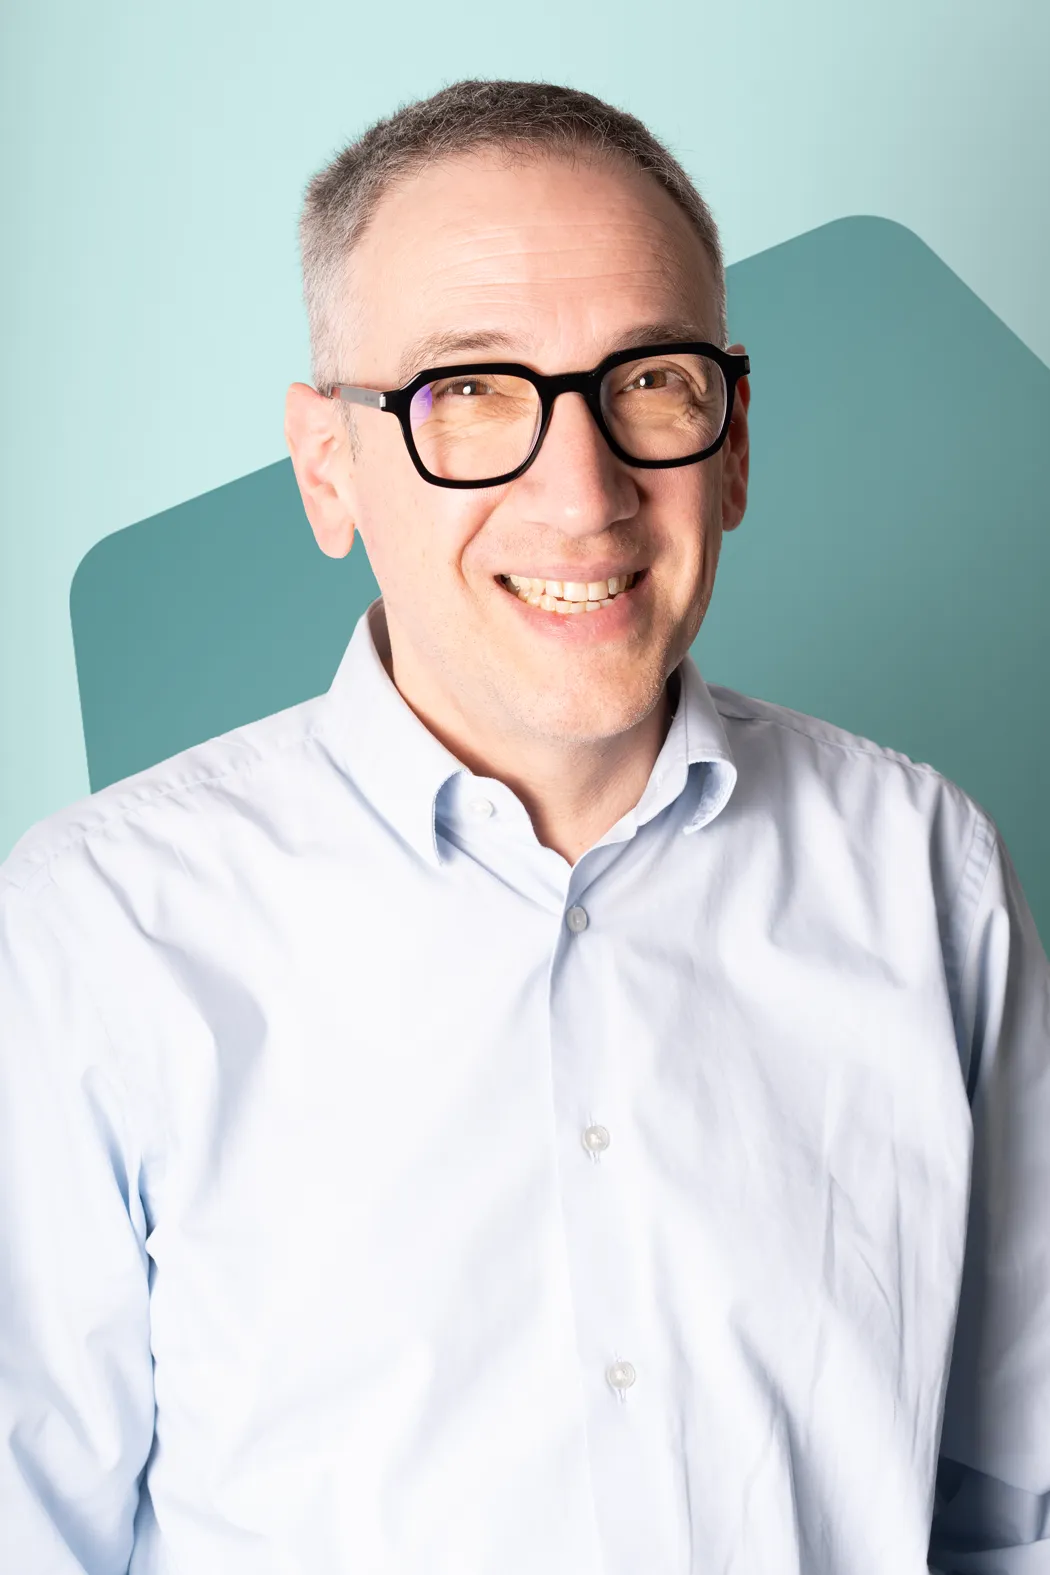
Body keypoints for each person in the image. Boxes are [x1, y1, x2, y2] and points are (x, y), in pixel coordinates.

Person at [1, 77, 1047, 1575]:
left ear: (733, 443)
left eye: (650, 383)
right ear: (325, 466)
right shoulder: (97, 932)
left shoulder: (923, 876)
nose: (581, 494)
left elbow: (1012, 1511)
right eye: (470, 393)